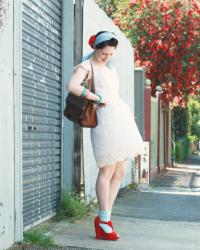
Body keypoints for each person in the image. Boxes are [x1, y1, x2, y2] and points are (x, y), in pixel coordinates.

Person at [67, 31, 145, 241]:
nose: (107, 57)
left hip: (120, 118)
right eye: (104, 53)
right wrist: (94, 96)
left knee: (121, 169)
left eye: (111, 54)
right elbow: (72, 86)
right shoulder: (86, 66)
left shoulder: (109, 68)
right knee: (108, 168)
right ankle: (103, 220)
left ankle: (105, 218)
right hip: (104, 120)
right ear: (96, 48)